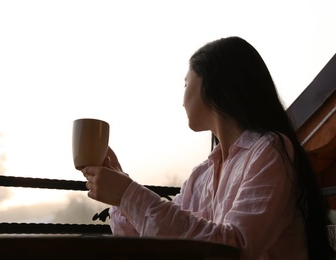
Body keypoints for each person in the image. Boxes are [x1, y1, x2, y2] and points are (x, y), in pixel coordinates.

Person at [81, 36, 335, 259]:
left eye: (185, 83)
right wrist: (120, 194)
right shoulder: (201, 175)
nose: (181, 100)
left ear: (210, 84)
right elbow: (149, 240)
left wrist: (128, 194)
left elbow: (236, 249)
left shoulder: (269, 150)